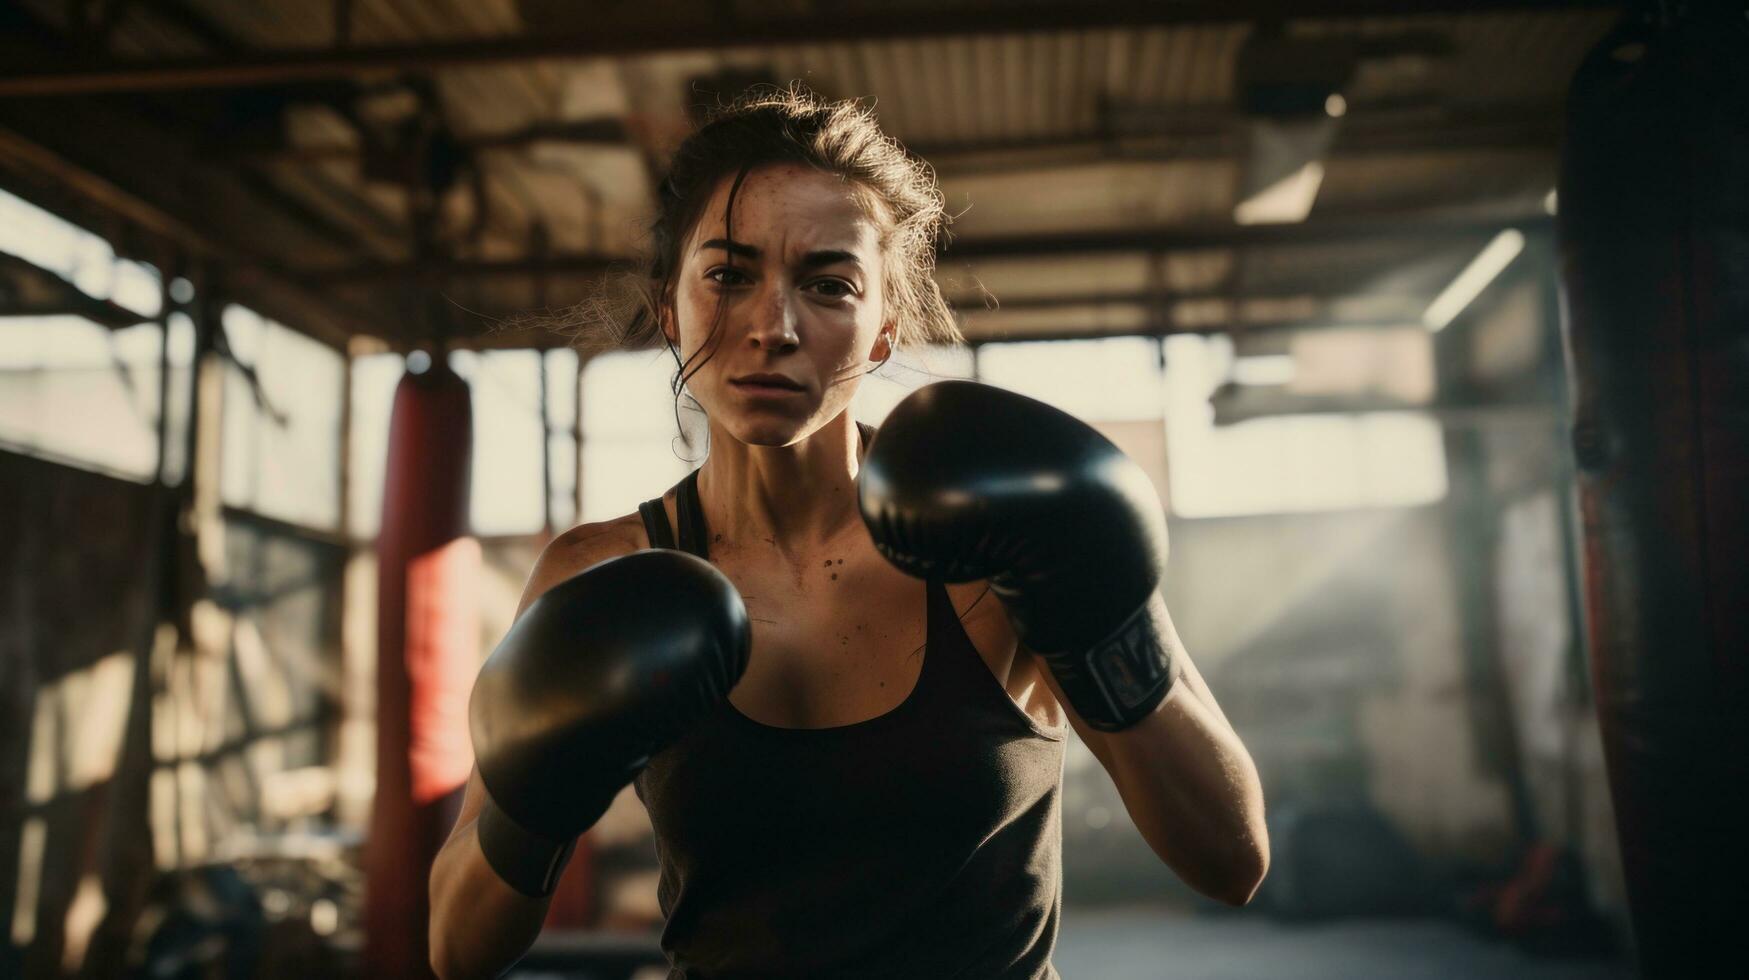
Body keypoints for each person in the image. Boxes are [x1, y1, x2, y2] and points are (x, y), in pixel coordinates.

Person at [428, 85, 1268, 980]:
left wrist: (1102, 621)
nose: (773, 328)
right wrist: (537, 799)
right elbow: (454, 948)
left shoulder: (992, 538)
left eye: (829, 285)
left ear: (881, 333)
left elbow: (1230, 858)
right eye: (727, 275)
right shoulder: (600, 573)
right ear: (668, 310)